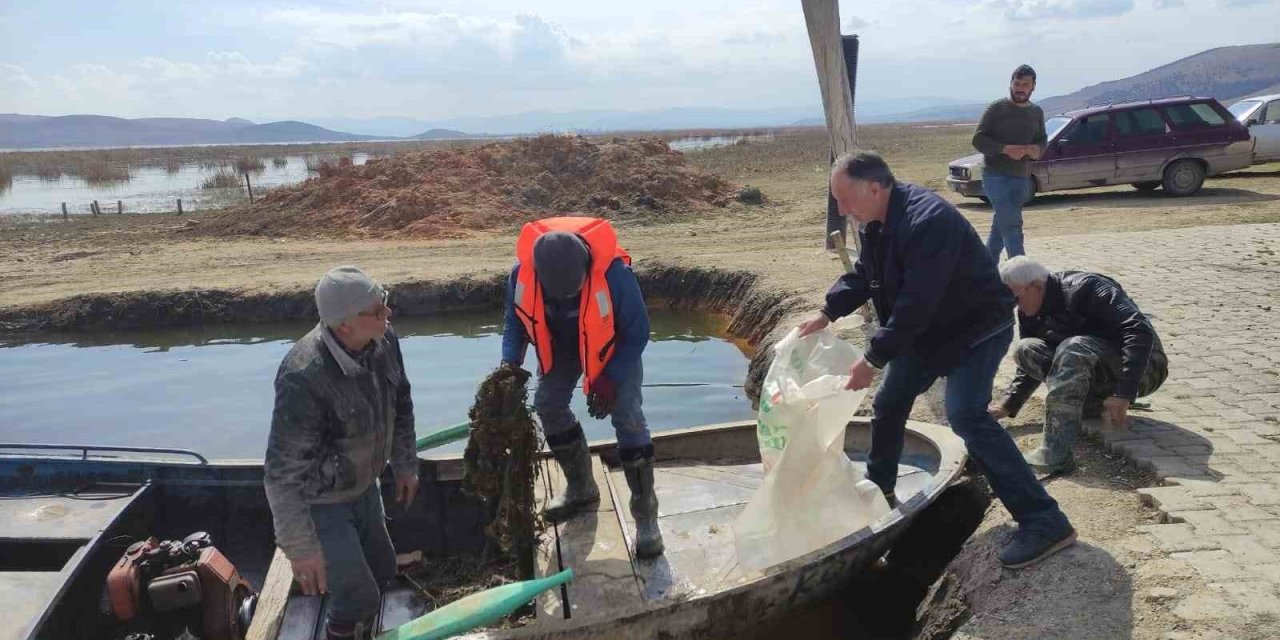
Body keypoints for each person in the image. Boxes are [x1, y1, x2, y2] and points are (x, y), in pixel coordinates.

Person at [798, 151, 1075, 569]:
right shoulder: (876, 220)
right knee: (889, 403)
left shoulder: (927, 222)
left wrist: (872, 359)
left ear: (874, 187)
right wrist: (827, 312)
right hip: (930, 331)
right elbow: (865, 275)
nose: (841, 210)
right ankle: (880, 490)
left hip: (976, 330)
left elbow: (915, 303)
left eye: (844, 199)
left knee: (965, 415)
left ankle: (1044, 520)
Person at [264, 266, 419, 640]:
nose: (388, 315)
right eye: (378, 311)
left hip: (364, 486)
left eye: (385, 304)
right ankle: (342, 630)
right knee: (357, 596)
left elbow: (402, 401)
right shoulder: (303, 376)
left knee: (382, 570)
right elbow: (280, 475)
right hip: (321, 501)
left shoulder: (383, 340)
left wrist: (404, 463)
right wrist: (302, 550)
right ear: (345, 324)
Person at [501, 216, 664, 559]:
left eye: (573, 291)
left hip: (612, 347)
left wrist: (611, 378)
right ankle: (581, 487)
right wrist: (509, 366)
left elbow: (637, 333)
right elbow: (515, 324)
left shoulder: (616, 276)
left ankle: (647, 519)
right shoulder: (521, 276)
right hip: (562, 347)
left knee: (628, 417)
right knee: (547, 404)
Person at [992, 257, 1168, 474]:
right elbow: (1030, 367)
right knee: (1026, 349)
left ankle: (1055, 453)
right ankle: (1092, 405)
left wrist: (1124, 393)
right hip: (1095, 366)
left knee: (1073, 347)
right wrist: (1008, 405)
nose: (1013, 306)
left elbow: (1138, 331)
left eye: (1015, 298)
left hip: (1146, 367)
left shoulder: (1088, 288)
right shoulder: (1030, 310)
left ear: (1036, 286)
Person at [972, 64, 1047, 260]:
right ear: (1011, 84)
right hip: (995, 175)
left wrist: (1036, 150)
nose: (1020, 88)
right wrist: (1005, 149)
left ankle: (985, 268)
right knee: (1013, 225)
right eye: (1017, 83)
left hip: (1022, 177)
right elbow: (978, 140)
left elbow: (1042, 139)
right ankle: (1022, 272)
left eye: (1026, 84)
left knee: (1002, 225)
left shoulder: (1036, 112)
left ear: (1033, 87)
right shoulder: (996, 109)